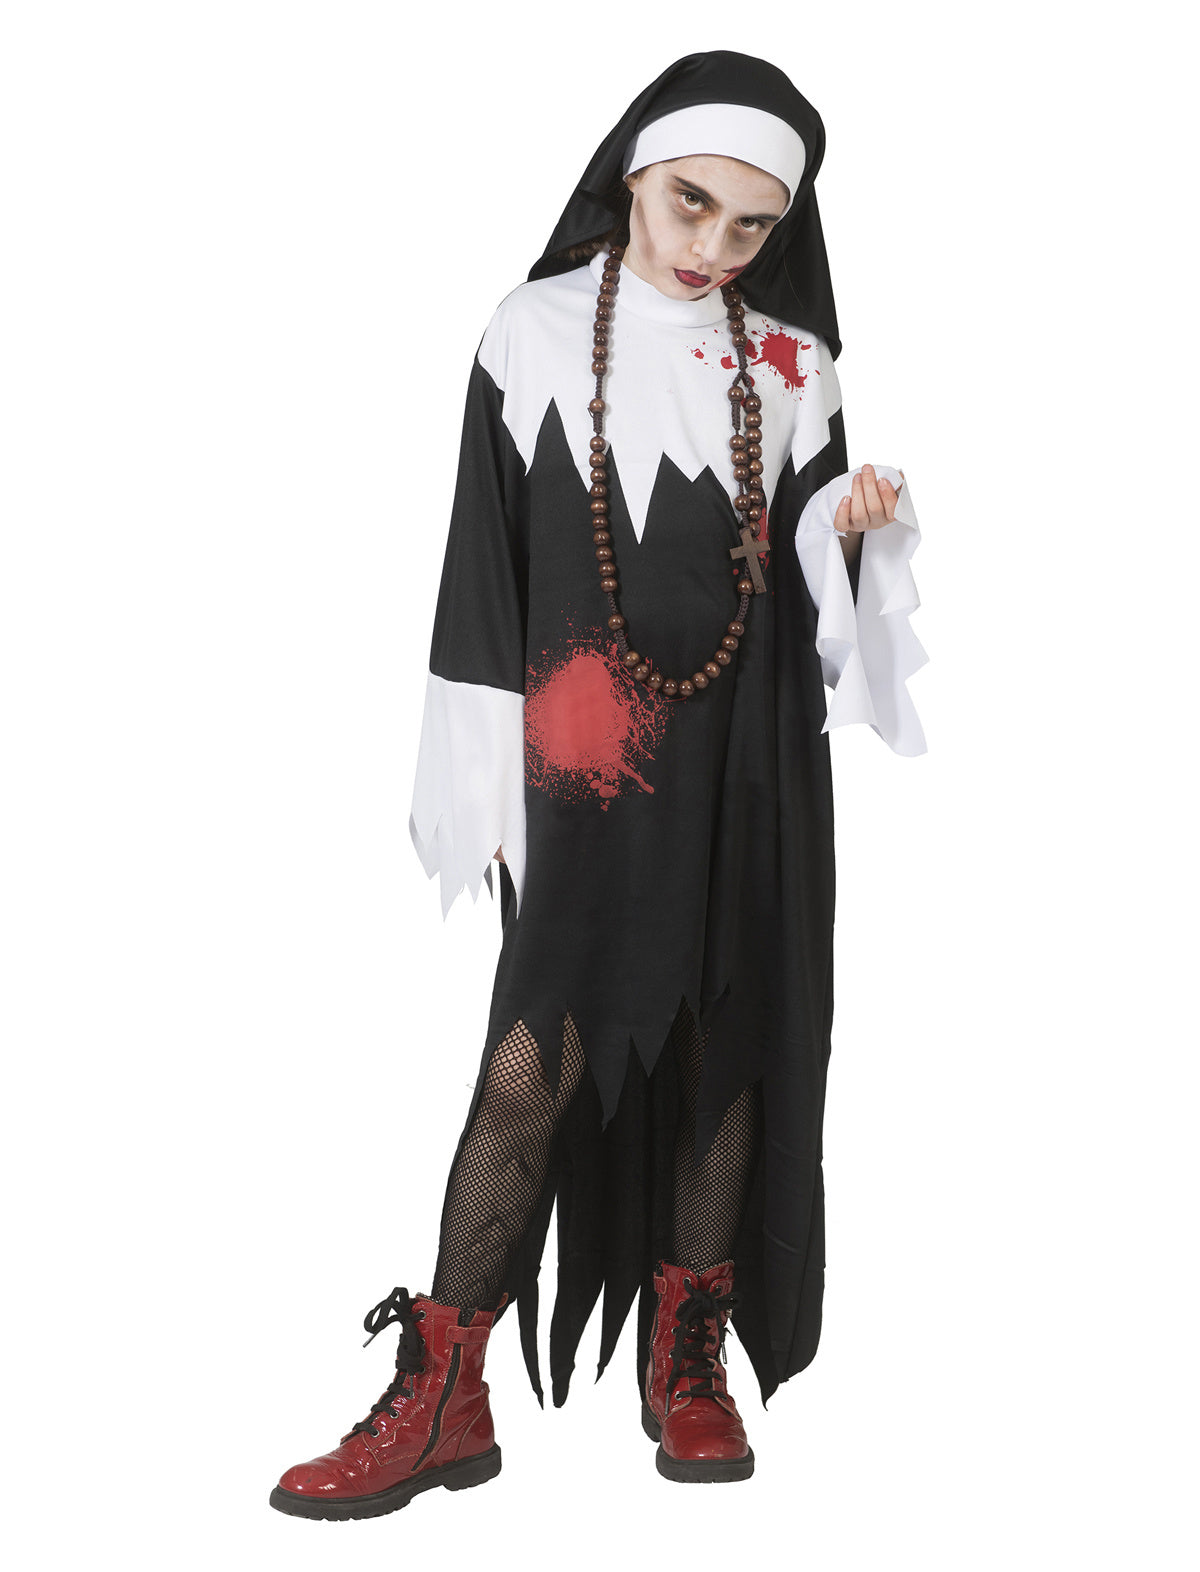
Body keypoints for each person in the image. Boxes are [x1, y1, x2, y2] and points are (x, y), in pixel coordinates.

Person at [270, 48, 926, 1519]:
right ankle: (446, 1387)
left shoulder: (793, 365)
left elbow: (809, 598)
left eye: (751, 226)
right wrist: (479, 771)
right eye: (690, 203)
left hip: (746, 769)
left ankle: (686, 1351)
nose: (713, 248)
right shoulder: (532, 331)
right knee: (532, 1062)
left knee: (721, 1048)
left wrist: (856, 529)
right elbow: (482, 564)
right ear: (634, 169)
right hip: (583, 765)